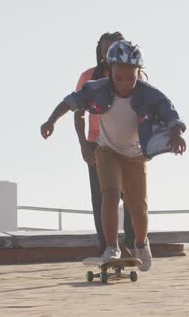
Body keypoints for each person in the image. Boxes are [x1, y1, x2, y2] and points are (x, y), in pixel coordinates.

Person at [41, 40, 187, 271]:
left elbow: (169, 112)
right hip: (107, 150)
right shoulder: (96, 89)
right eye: (119, 77)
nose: (124, 84)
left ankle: (141, 242)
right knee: (109, 195)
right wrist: (51, 121)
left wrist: (177, 133)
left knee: (137, 206)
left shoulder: (149, 94)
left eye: (131, 78)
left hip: (135, 155)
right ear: (111, 72)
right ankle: (111, 246)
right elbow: (70, 103)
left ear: (138, 73)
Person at [74, 32, 146, 255]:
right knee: (105, 198)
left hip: (130, 146)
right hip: (99, 144)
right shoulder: (89, 77)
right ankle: (107, 246)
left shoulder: (136, 75)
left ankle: (134, 244)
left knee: (134, 199)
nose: (108, 55)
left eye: (113, 49)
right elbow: (78, 112)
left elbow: (146, 110)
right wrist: (84, 145)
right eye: (105, 51)